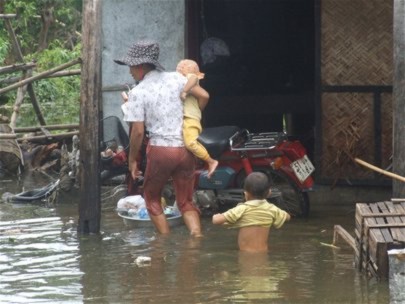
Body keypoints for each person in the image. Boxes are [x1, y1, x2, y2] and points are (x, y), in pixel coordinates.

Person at [114, 40, 203, 236]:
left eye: (131, 67)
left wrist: (132, 161)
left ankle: (164, 242)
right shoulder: (178, 79)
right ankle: (197, 239)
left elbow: (137, 131)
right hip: (186, 148)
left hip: (161, 150)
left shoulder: (139, 92)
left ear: (140, 66)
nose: (130, 71)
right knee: (186, 201)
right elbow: (201, 96)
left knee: (151, 198)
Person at [212, 172, 290, 252]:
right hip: (263, 253)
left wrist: (216, 216)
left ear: (246, 194)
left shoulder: (242, 209)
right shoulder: (272, 209)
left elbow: (216, 221)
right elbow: (287, 217)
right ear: (269, 193)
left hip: (246, 255)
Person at [176, 59, 218, 178]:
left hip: (190, 118)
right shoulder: (188, 83)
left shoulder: (188, 80)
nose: (178, 69)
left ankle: (210, 161)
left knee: (190, 143)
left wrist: (184, 92)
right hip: (191, 117)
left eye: (180, 68)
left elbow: (193, 78)